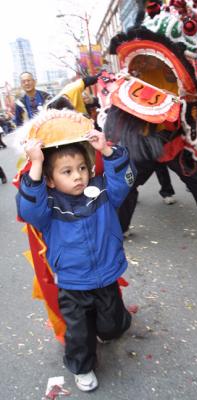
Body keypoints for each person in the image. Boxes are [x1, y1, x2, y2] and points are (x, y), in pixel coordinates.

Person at [16, 113, 136, 392]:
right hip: (72, 282)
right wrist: (36, 163)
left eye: (82, 168)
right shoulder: (47, 207)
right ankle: (81, 368)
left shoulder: (103, 191)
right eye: (67, 171)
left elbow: (126, 180)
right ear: (50, 180)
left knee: (113, 328)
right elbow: (27, 209)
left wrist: (106, 150)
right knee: (79, 334)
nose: (78, 176)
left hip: (106, 276)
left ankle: (114, 323)